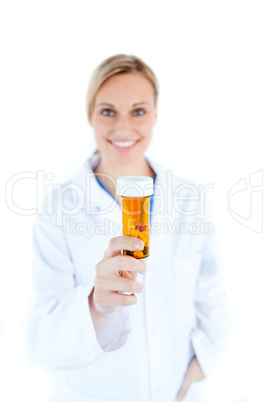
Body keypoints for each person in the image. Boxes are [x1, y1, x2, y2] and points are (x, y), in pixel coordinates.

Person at [23, 54, 231, 402]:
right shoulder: (58, 210)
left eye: (138, 111)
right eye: (107, 111)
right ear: (89, 114)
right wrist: (95, 303)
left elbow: (212, 294)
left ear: (155, 114)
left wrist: (204, 363)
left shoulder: (190, 198)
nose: (122, 128)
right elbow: (39, 337)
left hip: (179, 391)